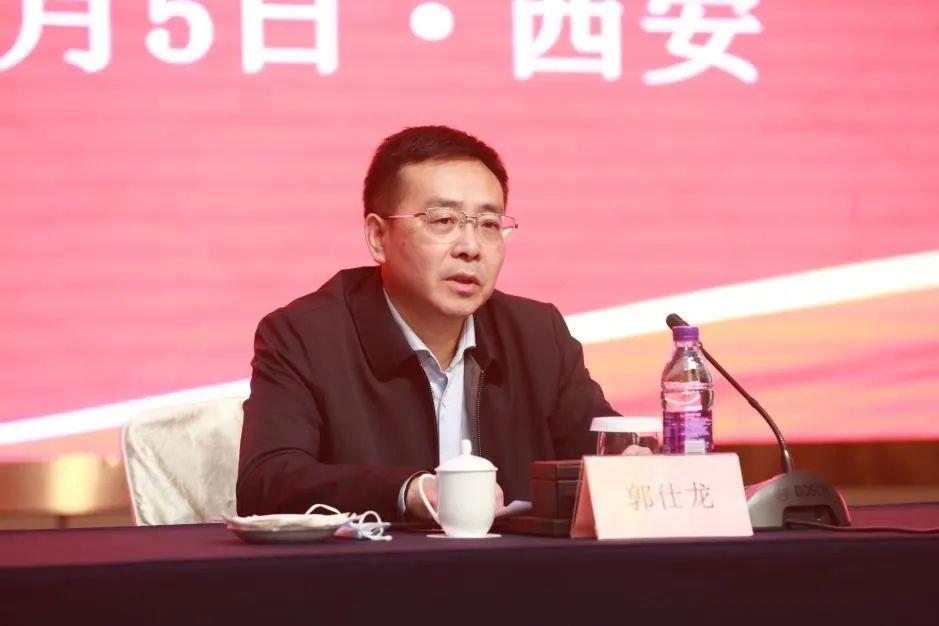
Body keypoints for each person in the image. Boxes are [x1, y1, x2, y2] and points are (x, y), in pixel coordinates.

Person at [237, 125, 616, 521]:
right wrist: (409, 492)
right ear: (378, 236)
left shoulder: (537, 335)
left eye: (489, 224)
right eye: (443, 220)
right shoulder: (305, 336)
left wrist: (634, 458)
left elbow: (602, 452)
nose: (470, 247)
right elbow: (267, 482)